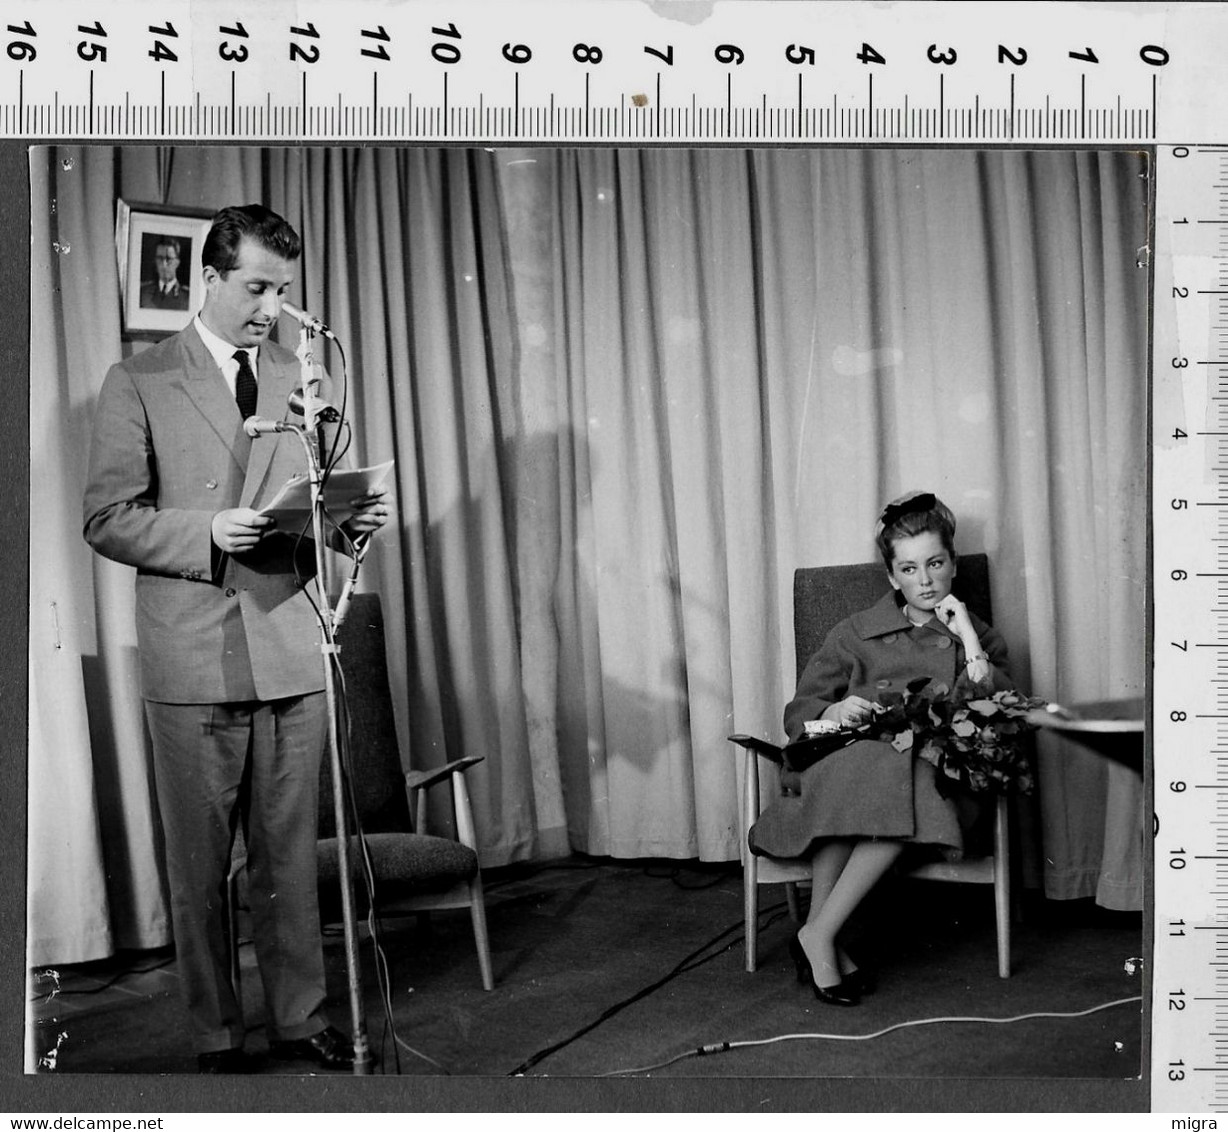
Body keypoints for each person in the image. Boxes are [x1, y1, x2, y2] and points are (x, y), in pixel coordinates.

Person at [83, 204, 391, 1072]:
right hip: (194, 653)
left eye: (283, 289)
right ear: (209, 278)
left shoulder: (303, 373)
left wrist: (352, 519)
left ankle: (301, 1018)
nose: (272, 306)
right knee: (202, 867)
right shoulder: (139, 379)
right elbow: (106, 518)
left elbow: (323, 503)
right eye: (256, 287)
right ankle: (218, 1034)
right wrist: (204, 532)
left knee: (291, 858)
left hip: (289, 648)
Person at [748, 491, 1012, 1005]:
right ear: (892, 577)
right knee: (866, 772)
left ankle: (819, 933)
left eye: (936, 564)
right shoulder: (853, 633)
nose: (926, 580)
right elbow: (799, 713)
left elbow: (998, 708)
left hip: (931, 776)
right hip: (850, 762)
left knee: (901, 775)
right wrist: (834, 711)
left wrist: (968, 639)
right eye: (910, 569)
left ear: (953, 564)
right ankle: (823, 936)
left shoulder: (974, 634)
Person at [139, 236, 190, 310]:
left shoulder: (188, 297)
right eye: (160, 258)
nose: (164, 264)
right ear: (155, 261)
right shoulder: (142, 293)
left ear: (177, 262)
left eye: (169, 259)